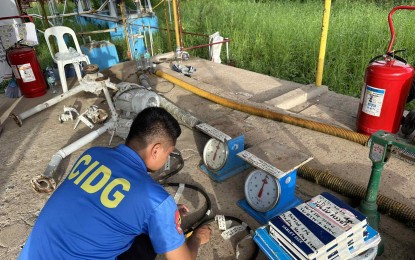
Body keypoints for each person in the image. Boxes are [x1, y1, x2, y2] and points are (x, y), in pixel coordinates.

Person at [19, 107, 212, 260]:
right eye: (168, 153)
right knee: (151, 240)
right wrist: (196, 239)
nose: (167, 159)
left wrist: (164, 215)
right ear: (156, 149)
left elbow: (99, 203)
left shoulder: (91, 155)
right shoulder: (155, 201)